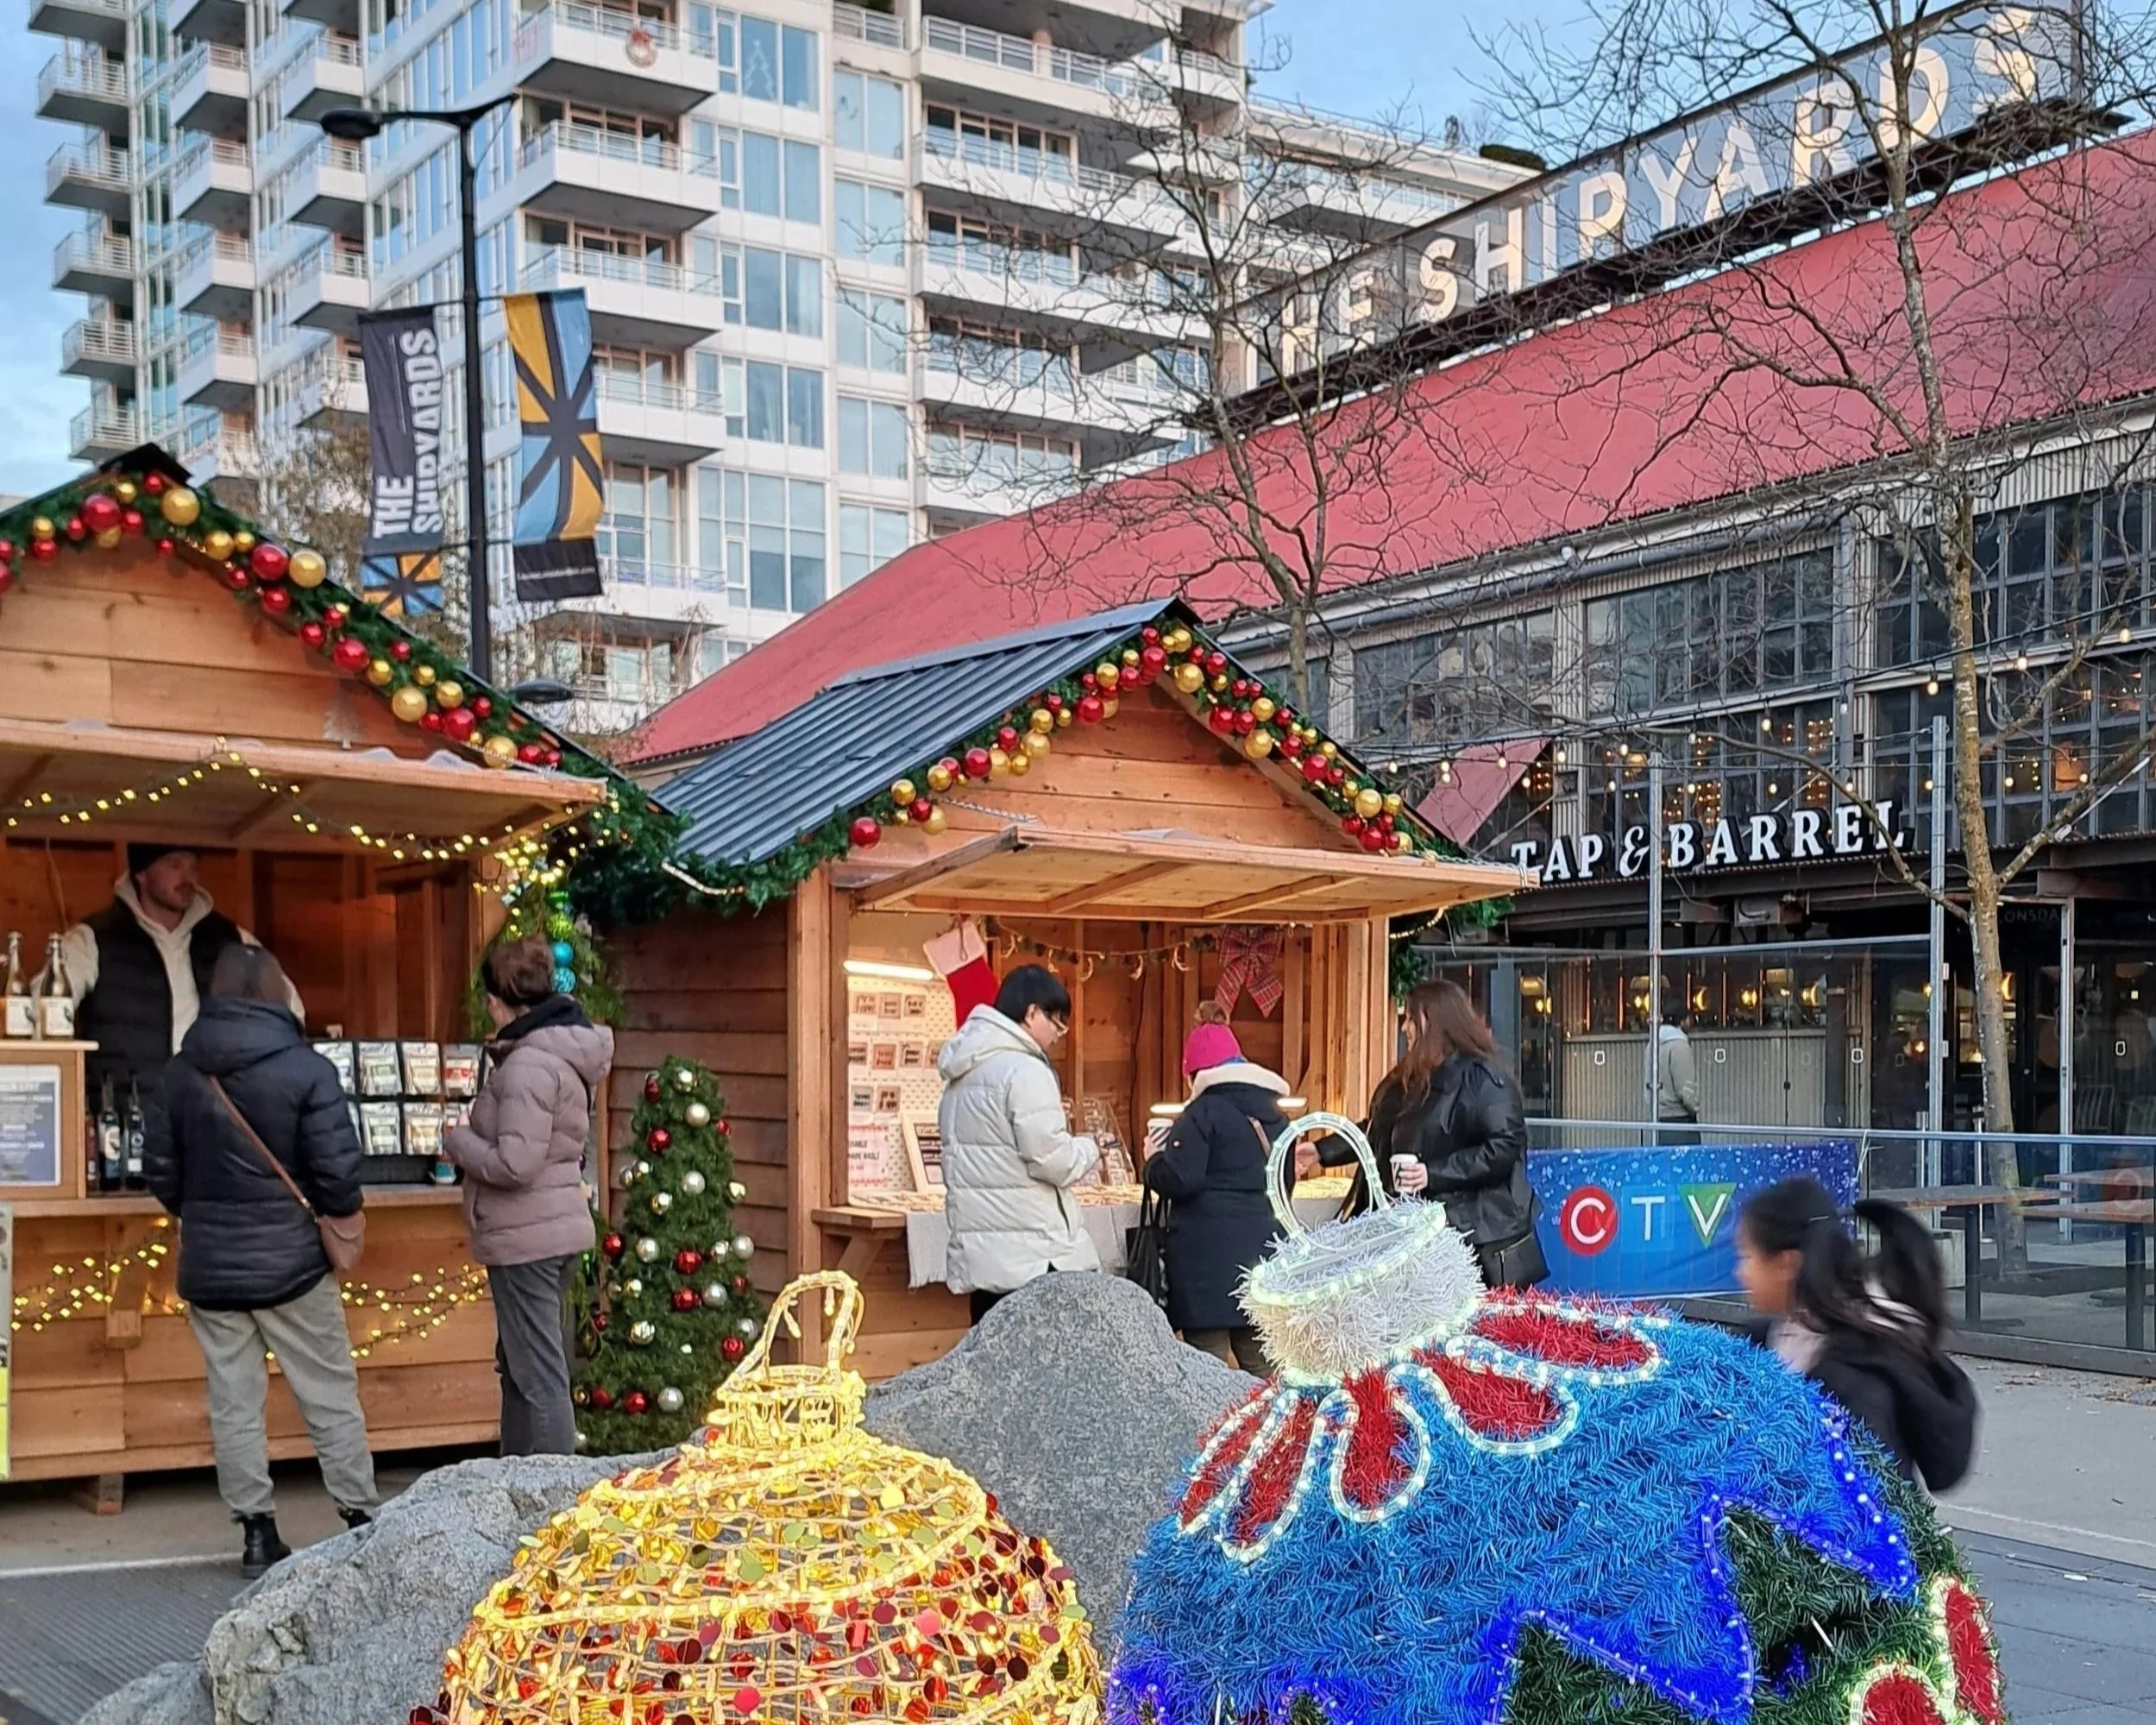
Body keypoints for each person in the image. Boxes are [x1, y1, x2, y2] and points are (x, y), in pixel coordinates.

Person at [143, 945, 375, 1579]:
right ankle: (360, 1519)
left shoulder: (179, 1071)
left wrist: (209, 1215)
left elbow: (160, 1176)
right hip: (294, 1265)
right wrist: (332, 1212)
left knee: (233, 1403)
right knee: (328, 1393)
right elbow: (337, 1175)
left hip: (211, 1268)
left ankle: (255, 1533)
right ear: (278, 992)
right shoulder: (308, 1070)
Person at [447, 935, 613, 1457]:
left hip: (527, 1238)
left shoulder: (526, 1066)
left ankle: (549, 1502)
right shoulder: (557, 1052)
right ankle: (513, 1482)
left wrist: (458, 1141)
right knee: (523, 1369)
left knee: (539, 1377)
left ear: (497, 1001)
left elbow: (515, 1164)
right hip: (552, 1226)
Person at [1735, 1176, 1978, 1490]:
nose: (1740, 1271)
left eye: (1747, 1256)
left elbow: (1864, 1509)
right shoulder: (1769, 1344)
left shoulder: (1851, 1384)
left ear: (1786, 1264)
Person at [1310, 979, 1545, 1289]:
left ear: (1436, 1022)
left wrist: (1431, 1174)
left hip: (1475, 1239)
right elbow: (1378, 1128)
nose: (1405, 1028)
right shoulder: (1409, 1079)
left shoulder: (1483, 1079)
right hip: (1421, 1233)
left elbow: (1505, 1147)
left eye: (1411, 1018)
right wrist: (1321, 1151)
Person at [48, 842, 303, 1101]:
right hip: (127, 1117)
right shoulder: (92, 939)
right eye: (174, 865)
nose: (188, 877)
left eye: (193, 867)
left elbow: (291, 1011)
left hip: (211, 1117)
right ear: (141, 873)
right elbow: (44, 1012)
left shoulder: (230, 939)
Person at [938, 964, 1101, 1321]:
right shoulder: (1026, 1071)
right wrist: (1089, 1149)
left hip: (985, 1265)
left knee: (989, 1370)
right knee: (1051, 1373)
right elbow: (1052, 1159)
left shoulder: (961, 1075)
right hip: (1035, 1261)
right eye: (1057, 1022)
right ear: (1031, 1013)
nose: (1060, 1034)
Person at [1143, 1004, 1292, 1375]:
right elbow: (1284, 1182)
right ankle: (1273, 1432)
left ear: (1196, 1073)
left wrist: (1152, 1162)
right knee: (1263, 1372)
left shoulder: (1202, 1113)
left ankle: (1217, 1435)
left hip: (1205, 1266)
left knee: (1206, 1374)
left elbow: (1182, 1178)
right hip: (1262, 1260)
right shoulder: (1277, 1115)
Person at [1656, 985, 1703, 1145]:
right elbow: (1685, 1089)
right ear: (1683, 1020)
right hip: (1680, 1121)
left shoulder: (1653, 1044)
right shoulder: (1679, 1046)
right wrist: (1695, 1107)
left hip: (1658, 1117)